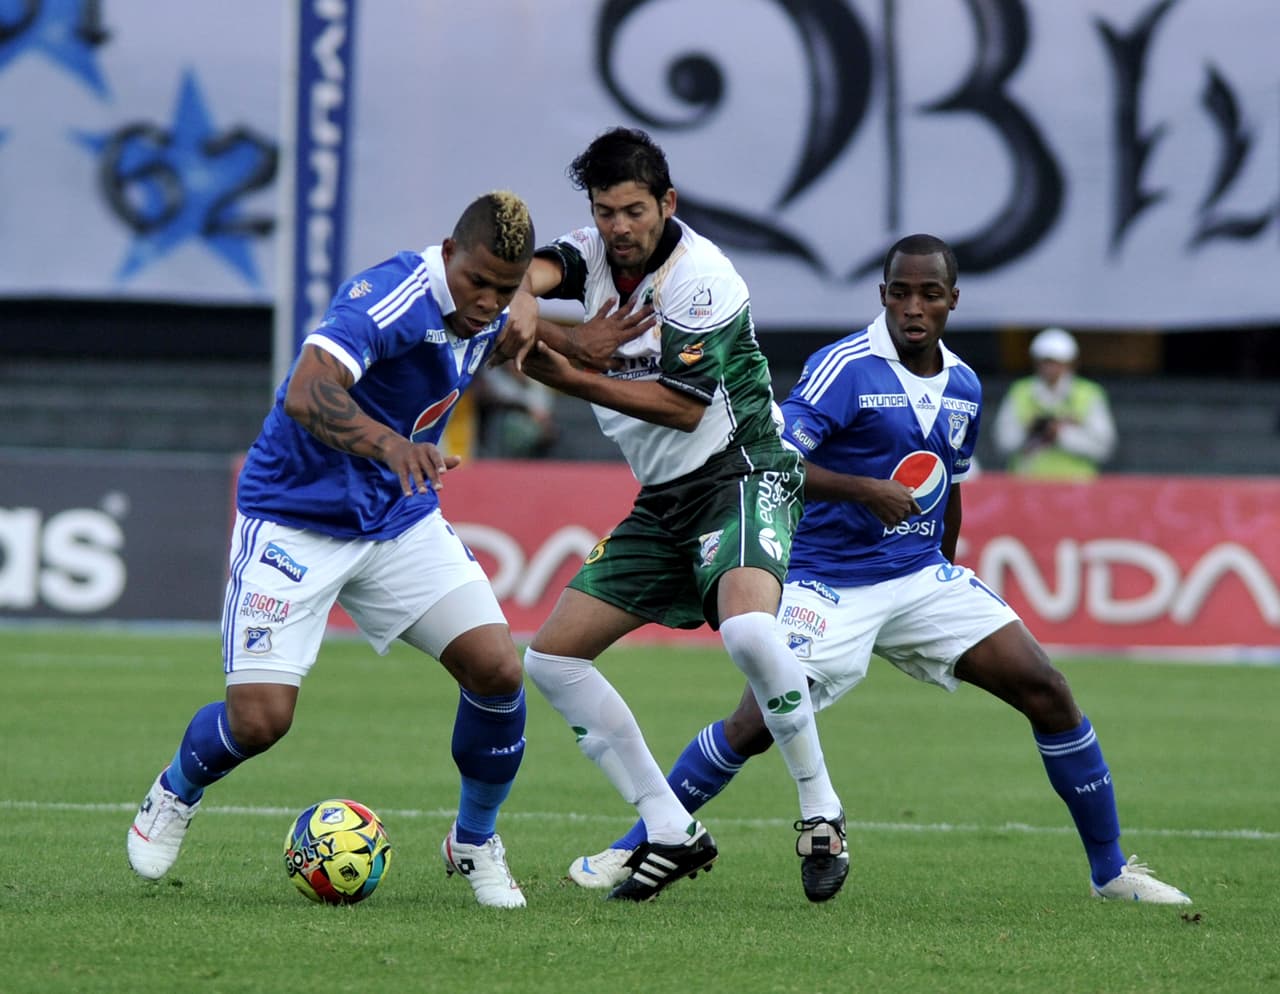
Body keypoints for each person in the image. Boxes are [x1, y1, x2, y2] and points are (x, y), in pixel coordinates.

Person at [565, 234, 1192, 906]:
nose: (914, 307)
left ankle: (1110, 872)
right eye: (901, 293)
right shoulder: (844, 368)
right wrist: (865, 491)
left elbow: (949, 487)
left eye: (930, 294)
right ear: (883, 295)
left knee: (1048, 689)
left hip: (918, 578)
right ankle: (634, 845)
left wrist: (945, 572)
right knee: (753, 724)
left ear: (953, 301)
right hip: (826, 581)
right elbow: (776, 460)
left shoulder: (966, 385)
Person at [126, 191, 540, 909]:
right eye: (478, 282)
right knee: (260, 721)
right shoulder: (391, 296)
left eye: (505, 289)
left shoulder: (493, 309)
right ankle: (175, 790)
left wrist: (581, 346)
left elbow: (525, 342)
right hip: (294, 520)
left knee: (499, 669)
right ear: (448, 253)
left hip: (396, 519)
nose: (488, 301)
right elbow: (307, 391)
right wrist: (393, 447)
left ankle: (474, 841)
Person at [509, 126, 845, 902]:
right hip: (664, 498)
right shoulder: (590, 254)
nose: (619, 228)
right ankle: (670, 828)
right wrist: (537, 315)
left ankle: (821, 812)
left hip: (742, 470)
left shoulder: (700, 278)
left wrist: (569, 364)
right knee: (550, 661)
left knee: (750, 632)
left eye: (634, 210)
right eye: (605, 212)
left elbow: (681, 407)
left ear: (667, 202)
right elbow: (519, 282)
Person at [992, 326, 1116, 479]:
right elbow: (1004, 442)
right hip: (1027, 483)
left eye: (1056, 362)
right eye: (1046, 361)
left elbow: (1103, 448)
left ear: (1070, 363)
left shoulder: (1089, 394)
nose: (1050, 368)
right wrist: (1029, 431)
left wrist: (1061, 433)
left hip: (1076, 485)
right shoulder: (1020, 392)